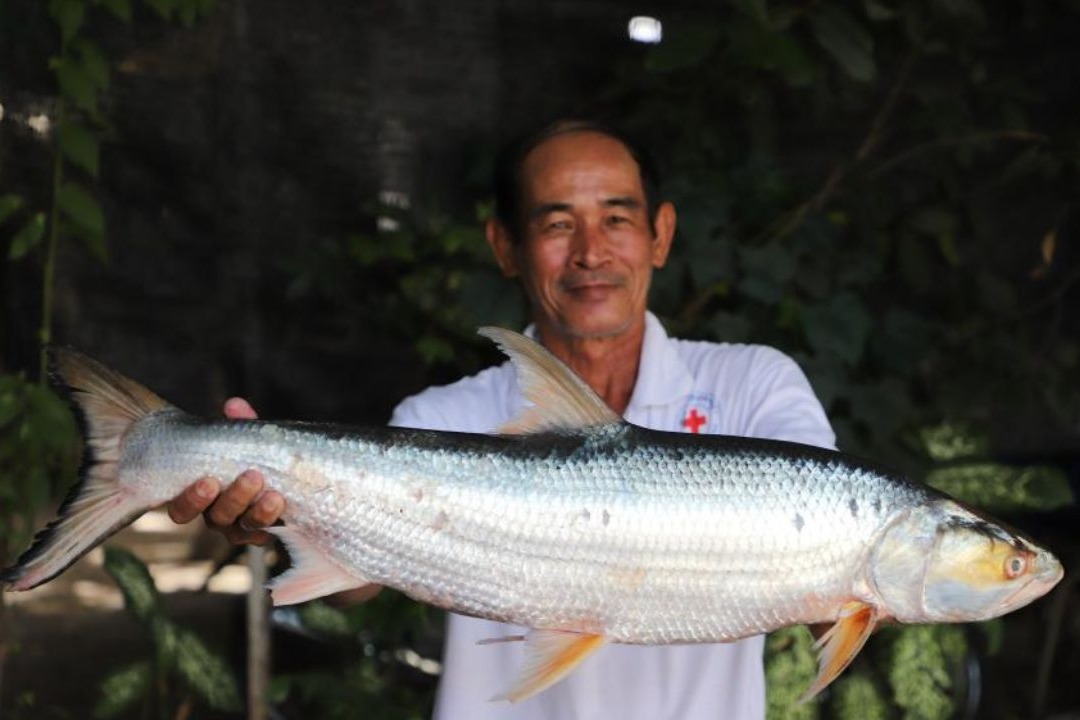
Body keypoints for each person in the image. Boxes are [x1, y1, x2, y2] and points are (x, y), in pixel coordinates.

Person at [166, 119, 835, 719]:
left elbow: (830, 546)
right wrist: (278, 516)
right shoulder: (441, 416)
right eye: (556, 224)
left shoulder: (755, 385)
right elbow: (354, 585)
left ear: (660, 234)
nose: (591, 253)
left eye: (617, 220)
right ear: (505, 246)